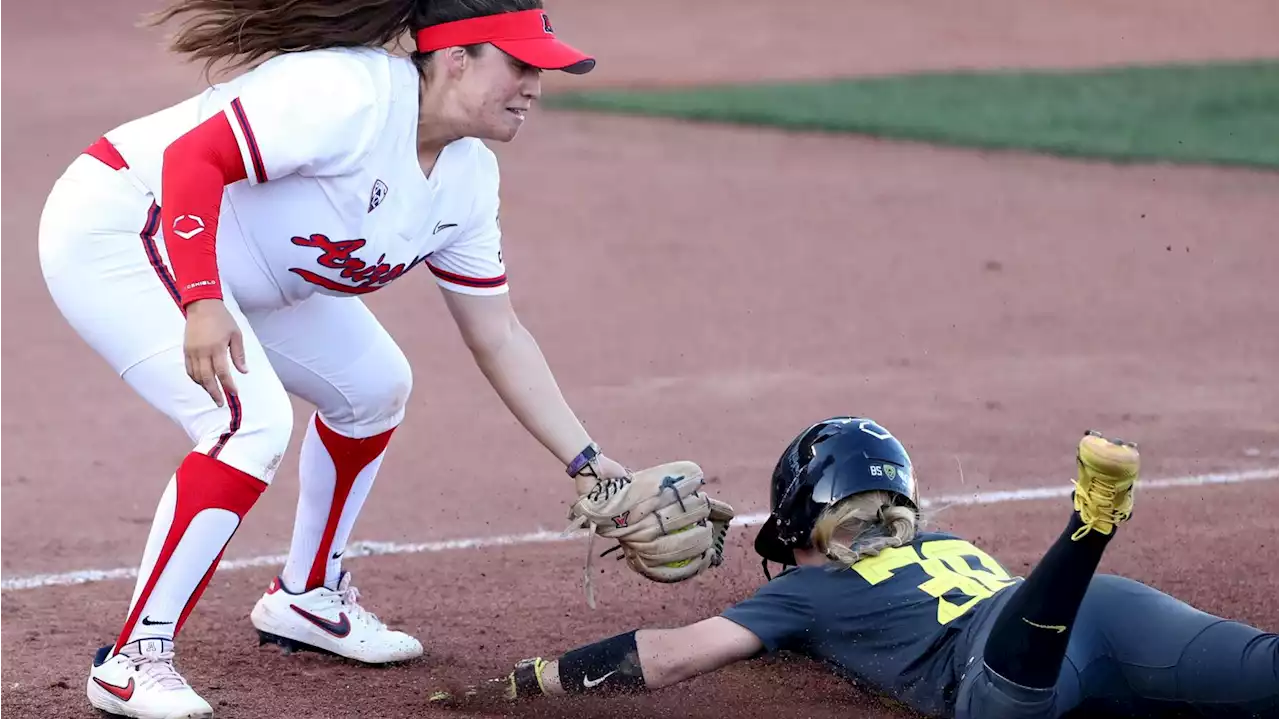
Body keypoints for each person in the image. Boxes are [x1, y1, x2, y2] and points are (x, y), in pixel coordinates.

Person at [36, 1, 640, 717]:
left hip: (243, 273)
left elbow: (499, 333)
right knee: (250, 421)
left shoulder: (468, 180)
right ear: (454, 58)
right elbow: (191, 159)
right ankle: (133, 659)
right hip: (128, 224)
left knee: (374, 386)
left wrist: (588, 461)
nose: (536, 85)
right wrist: (201, 299)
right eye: (519, 64)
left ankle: (308, 597)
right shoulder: (347, 94)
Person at [479, 418, 1280, 718]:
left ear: (799, 517)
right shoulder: (948, 539)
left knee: (1009, 707)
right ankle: (1083, 542)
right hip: (1100, 609)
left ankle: (1088, 526)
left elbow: (678, 652)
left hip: (1010, 652)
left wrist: (539, 678)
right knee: (1256, 675)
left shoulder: (805, 589)